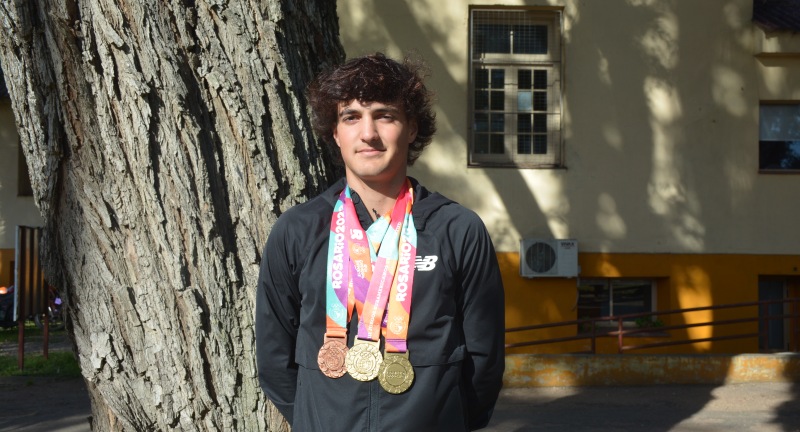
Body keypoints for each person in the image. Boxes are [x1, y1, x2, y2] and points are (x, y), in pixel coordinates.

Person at [255, 52, 505, 431]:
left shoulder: (458, 230)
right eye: (351, 117)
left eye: (385, 115)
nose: (368, 132)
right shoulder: (296, 230)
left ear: (411, 128)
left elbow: (484, 362)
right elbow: (275, 360)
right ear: (335, 133)